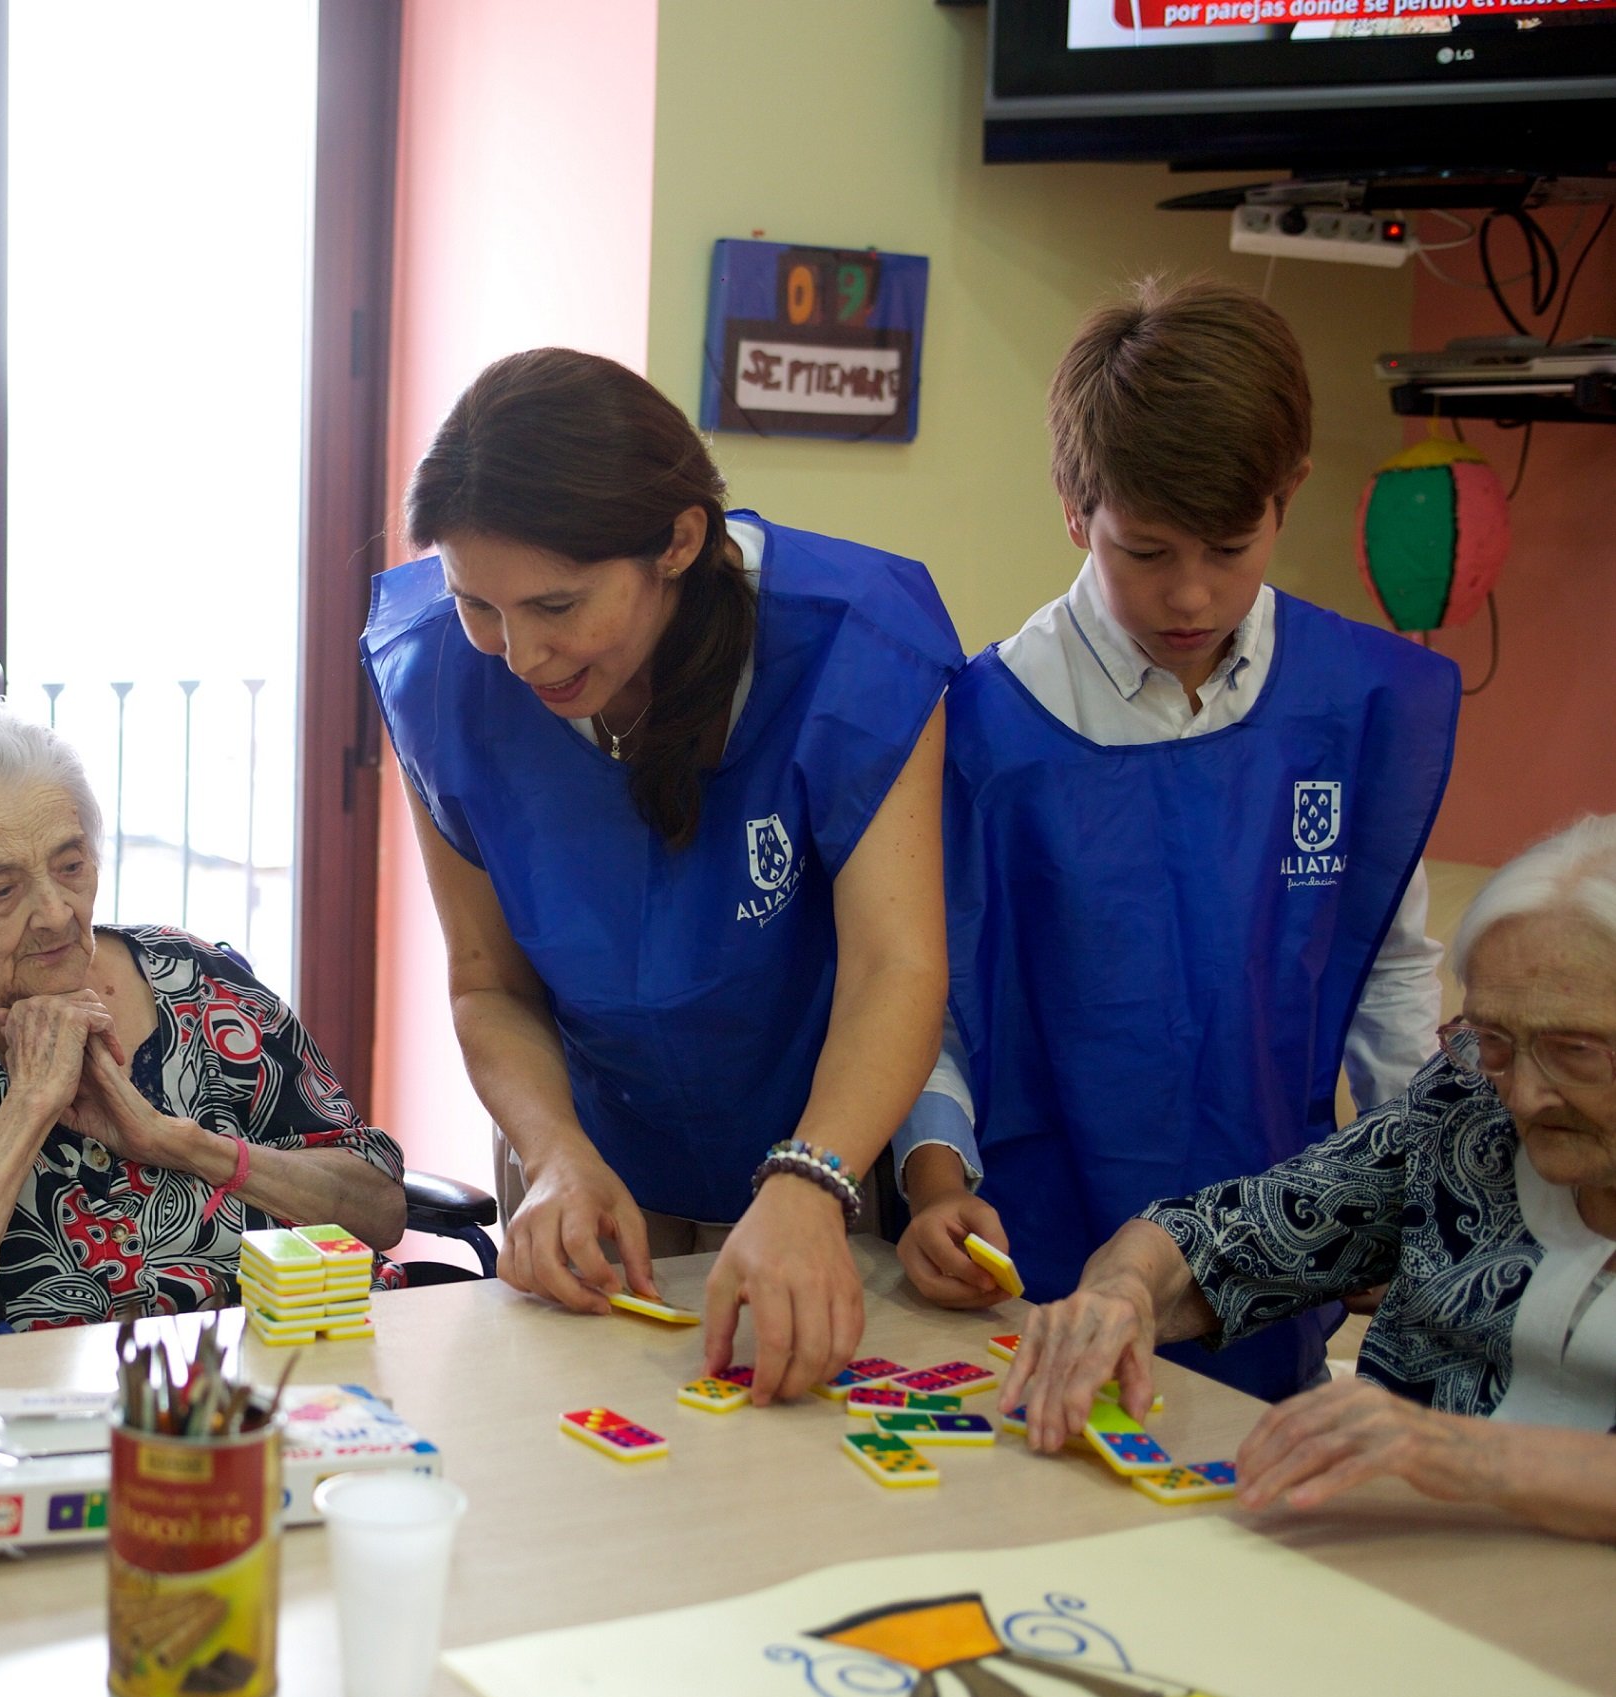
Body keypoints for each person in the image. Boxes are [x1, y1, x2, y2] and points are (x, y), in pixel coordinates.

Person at [890, 277, 1457, 1402]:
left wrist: (1415, 1201)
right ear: (1072, 508)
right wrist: (930, 1175)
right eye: (1143, 551)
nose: (1190, 594)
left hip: (1266, 1259)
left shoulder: (1355, 704)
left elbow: (1388, 977)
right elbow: (924, 994)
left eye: (1227, 546)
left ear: (1285, 495)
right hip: (1027, 1261)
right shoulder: (979, 726)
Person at [367, 347, 964, 1398]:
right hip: (584, 1150)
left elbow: (895, 966)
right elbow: (486, 981)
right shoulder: (434, 670)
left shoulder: (850, 645)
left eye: (555, 605)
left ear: (679, 541)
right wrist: (550, 1152)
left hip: (823, 1143)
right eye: (478, 604)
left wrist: (809, 1178)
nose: (518, 654)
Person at [1003, 815, 1616, 1542]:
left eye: (1574, 1050)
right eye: (1492, 1039)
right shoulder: (1466, 1105)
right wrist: (1125, 1290)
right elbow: (1235, 1227)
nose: (1522, 1093)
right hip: (1396, 1572)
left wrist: (1458, 1452)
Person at [0, 695, 406, 1346]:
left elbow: (379, 1209)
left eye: (70, 866)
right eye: (2, 890)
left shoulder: (197, 981)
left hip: (286, 1372)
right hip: (52, 1424)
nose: (57, 912)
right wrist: (29, 1104)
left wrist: (175, 1142)